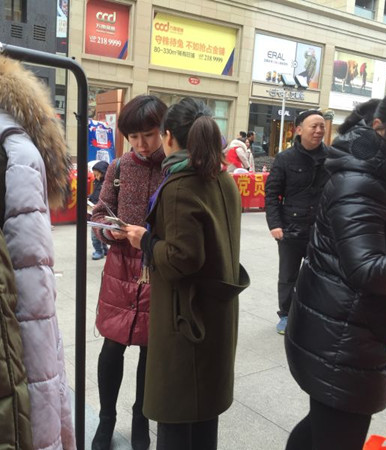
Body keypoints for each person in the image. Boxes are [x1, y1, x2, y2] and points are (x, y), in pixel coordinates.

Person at [285, 86, 386, 450]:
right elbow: (367, 269)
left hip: (352, 331)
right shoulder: (360, 181)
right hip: (341, 340)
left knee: (319, 429)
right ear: (380, 126)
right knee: (336, 434)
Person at [125, 97, 249, 450]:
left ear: (168, 137)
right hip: (215, 315)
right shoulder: (222, 178)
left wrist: (145, 240)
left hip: (186, 322)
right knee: (203, 418)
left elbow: (182, 259)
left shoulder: (181, 185)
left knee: (177, 419)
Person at [90, 94, 167, 450]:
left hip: (158, 265)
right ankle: (106, 418)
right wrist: (110, 231)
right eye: (133, 137)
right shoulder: (120, 167)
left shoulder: (174, 167)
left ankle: (141, 417)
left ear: (164, 131)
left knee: (151, 351)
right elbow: (100, 212)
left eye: (148, 135)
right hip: (121, 266)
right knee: (112, 346)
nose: (141, 144)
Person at [264, 109, 328, 334]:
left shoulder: (332, 158)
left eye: (322, 126)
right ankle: (286, 314)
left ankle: (312, 314)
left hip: (321, 230)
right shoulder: (285, 158)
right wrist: (275, 224)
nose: (319, 130)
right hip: (291, 229)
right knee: (288, 276)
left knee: (319, 276)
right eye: (314, 126)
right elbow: (272, 193)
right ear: (299, 130)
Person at [88, 160, 109, 260]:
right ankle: (104, 249)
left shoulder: (106, 184)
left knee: (95, 233)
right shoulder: (97, 182)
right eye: (94, 175)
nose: (96, 177)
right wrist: (90, 198)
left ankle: (98, 251)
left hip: (101, 211)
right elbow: (95, 194)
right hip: (94, 209)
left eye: (97, 175)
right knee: (100, 231)